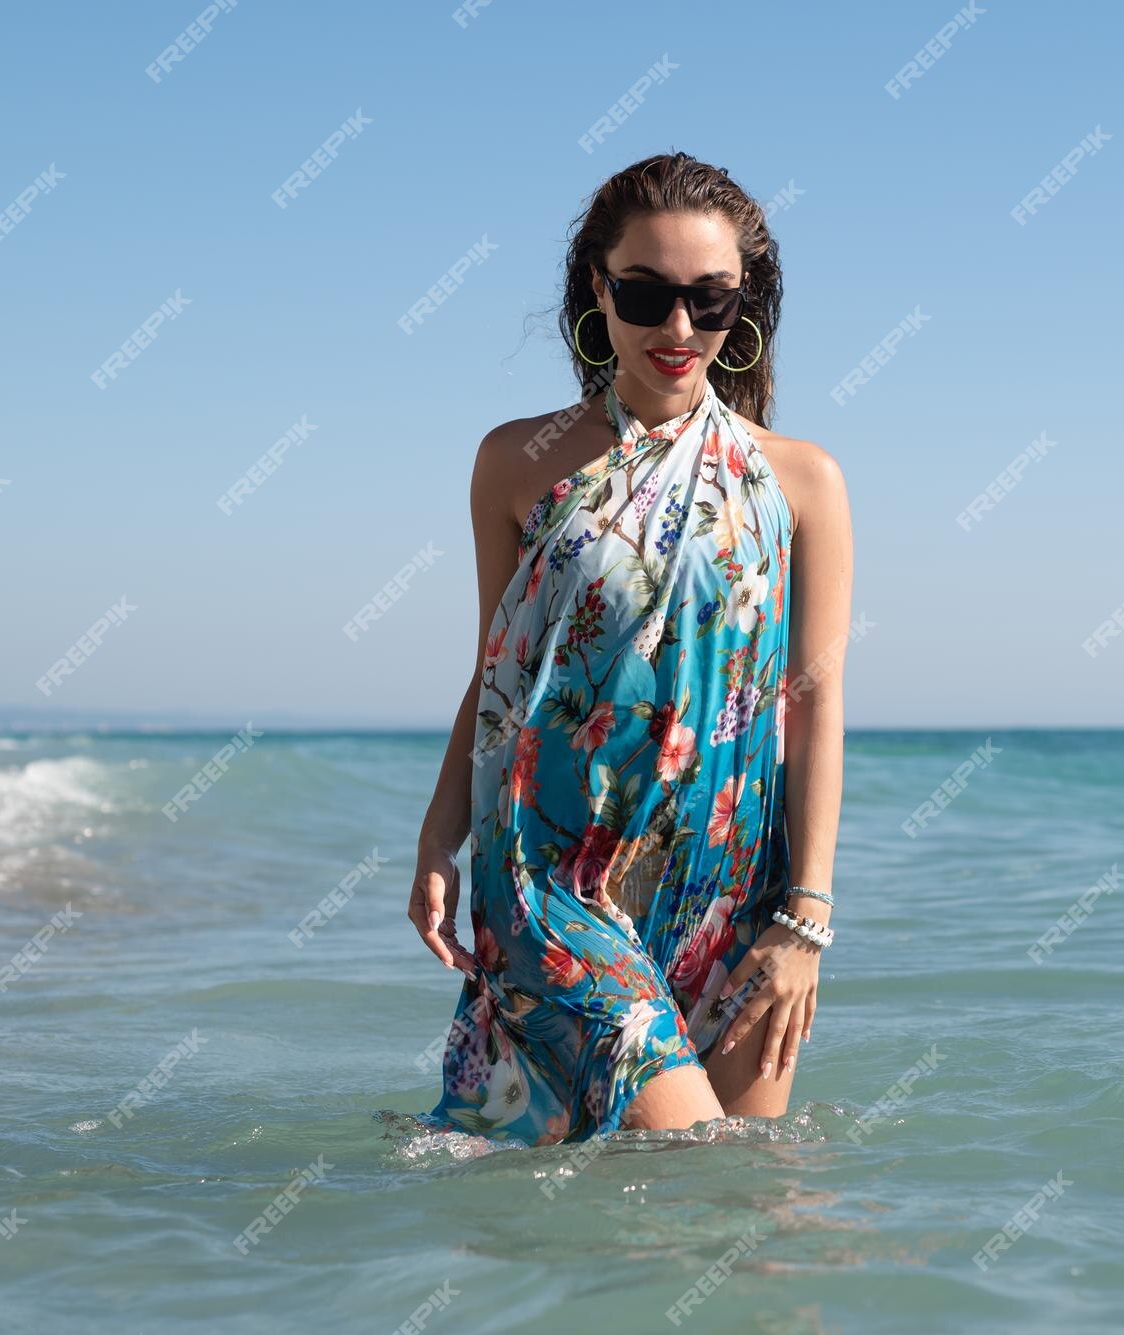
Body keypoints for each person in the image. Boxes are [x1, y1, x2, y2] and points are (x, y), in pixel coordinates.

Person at [409, 152, 855, 1146]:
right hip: (553, 877)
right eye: (646, 295)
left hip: (736, 884)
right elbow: (497, 675)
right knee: (691, 1157)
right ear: (595, 293)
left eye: (710, 300)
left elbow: (814, 702)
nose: (678, 329)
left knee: (742, 1226)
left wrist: (804, 921)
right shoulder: (515, 462)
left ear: (744, 306)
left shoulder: (801, 482)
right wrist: (440, 837)